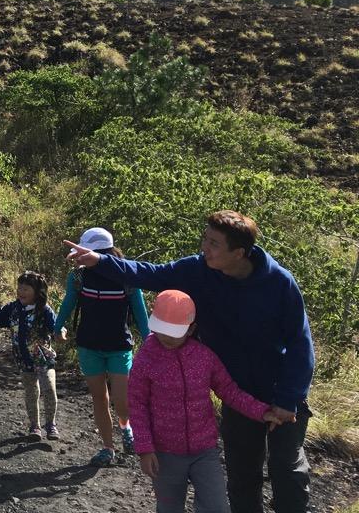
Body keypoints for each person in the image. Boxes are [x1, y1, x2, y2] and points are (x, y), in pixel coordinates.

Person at [65, 210, 312, 513]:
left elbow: (301, 344)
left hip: (280, 392)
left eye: (214, 243)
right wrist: (101, 261)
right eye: (204, 239)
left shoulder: (279, 284)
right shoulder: (198, 269)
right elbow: (149, 273)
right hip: (237, 392)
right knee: (242, 476)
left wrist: (288, 399)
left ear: (239, 253)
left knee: (287, 471)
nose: (204, 248)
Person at [129, 289, 284, 513]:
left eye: (175, 332)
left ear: (191, 329)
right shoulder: (145, 359)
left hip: (205, 451)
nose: (167, 337)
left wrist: (261, 411)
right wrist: (144, 449)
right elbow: (137, 405)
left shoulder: (203, 356)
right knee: (169, 508)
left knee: (217, 507)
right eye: (162, 330)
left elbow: (229, 391)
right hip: (165, 454)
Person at [54, 227, 150, 467]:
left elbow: (139, 311)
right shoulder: (78, 277)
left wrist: (149, 341)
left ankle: (125, 427)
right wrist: (57, 327)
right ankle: (108, 448)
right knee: (99, 398)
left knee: (122, 400)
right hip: (88, 346)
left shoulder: (127, 276)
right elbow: (68, 303)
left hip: (119, 346)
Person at [0, 271, 60, 440]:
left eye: (26, 289)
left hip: (43, 358)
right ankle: (34, 426)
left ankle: (50, 424)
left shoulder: (44, 310)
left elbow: (56, 325)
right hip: (23, 358)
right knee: (31, 391)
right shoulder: (13, 309)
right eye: (19, 288)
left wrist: (61, 332)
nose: (21, 292)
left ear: (37, 292)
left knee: (49, 388)